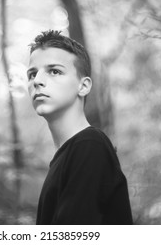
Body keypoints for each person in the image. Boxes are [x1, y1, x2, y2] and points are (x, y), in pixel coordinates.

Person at [27, 30, 132, 225]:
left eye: (54, 71)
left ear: (83, 86)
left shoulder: (89, 147)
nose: (37, 81)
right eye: (32, 73)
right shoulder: (70, 154)